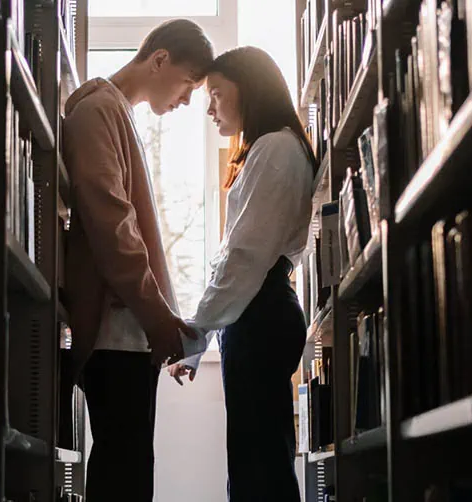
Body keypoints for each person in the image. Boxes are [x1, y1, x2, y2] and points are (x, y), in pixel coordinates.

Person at [61, 19, 214, 502]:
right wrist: (160, 322)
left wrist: (161, 324)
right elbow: (115, 231)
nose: (188, 99)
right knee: (123, 477)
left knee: (127, 472)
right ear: (160, 59)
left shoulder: (116, 114)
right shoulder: (97, 114)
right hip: (115, 338)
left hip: (128, 336)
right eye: (189, 83)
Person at [169, 46, 318, 501]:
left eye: (216, 93)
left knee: (258, 467)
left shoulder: (275, 148)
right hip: (257, 314)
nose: (209, 108)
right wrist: (201, 338)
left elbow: (242, 260)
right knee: (258, 459)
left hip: (261, 315)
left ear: (248, 89)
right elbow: (239, 264)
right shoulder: (269, 147)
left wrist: (194, 336)